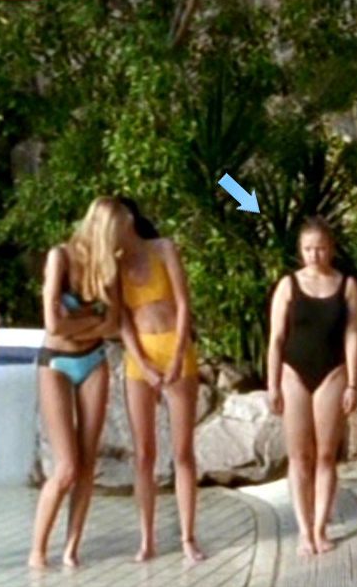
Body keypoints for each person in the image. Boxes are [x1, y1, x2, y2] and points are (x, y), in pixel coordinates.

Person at [28, 197, 119, 568]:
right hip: (56, 363)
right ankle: (37, 550)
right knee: (65, 467)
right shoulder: (60, 257)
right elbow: (52, 324)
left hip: (94, 361)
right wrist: (92, 322)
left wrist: (76, 325)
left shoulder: (108, 266)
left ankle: (71, 546)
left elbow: (114, 324)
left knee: (86, 463)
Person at [112, 197, 204, 563]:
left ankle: (187, 537)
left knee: (182, 451)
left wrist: (178, 355)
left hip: (174, 346)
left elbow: (183, 304)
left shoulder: (163, 248)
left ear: (128, 219)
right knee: (144, 453)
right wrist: (143, 363)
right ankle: (146, 538)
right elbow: (121, 320)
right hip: (139, 356)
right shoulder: (114, 264)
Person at [267, 218, 357, 555]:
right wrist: (272, 384)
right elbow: (276, 339)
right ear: (300, 250)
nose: (314, 255)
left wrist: (353, 383)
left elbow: (352, 336)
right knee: (299, 455)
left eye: (320, 248)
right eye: (308, 249)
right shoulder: (288, 285)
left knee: (325, 454)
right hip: (293, 372)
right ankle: (304, 529)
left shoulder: (346, 285)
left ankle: (320, 526)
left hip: (332, 373)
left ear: (331, 248)